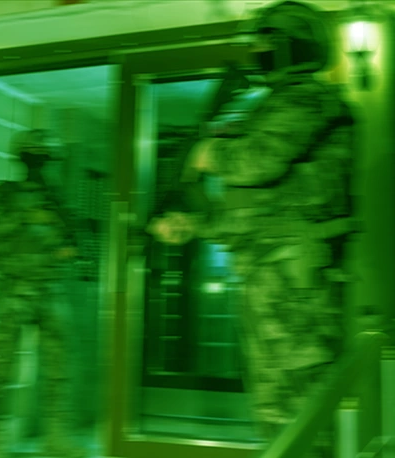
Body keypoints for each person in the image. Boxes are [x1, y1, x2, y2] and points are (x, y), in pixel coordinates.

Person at [146, 2, 356, 457]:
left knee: (307, 413)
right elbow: (252, 215)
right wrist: (194, 224)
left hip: (295, 287)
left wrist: (211, 155)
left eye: (267, 43)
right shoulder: (272, 107)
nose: (258, 52)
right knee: (274, 414)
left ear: (294, 46)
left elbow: (259, 162)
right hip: (268, 278)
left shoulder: (307, 98)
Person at [0, 129, 84, 458]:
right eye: (34, 156)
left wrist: (66, 245)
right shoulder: (4, 193)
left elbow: (72, 241)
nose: (39, 164)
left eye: (44, 158)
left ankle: (56, 435)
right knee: (3, 365)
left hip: (50, 289)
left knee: (58, 367)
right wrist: (25, 214)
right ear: (22, 158)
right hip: (15, 288)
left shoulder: (56, 196)